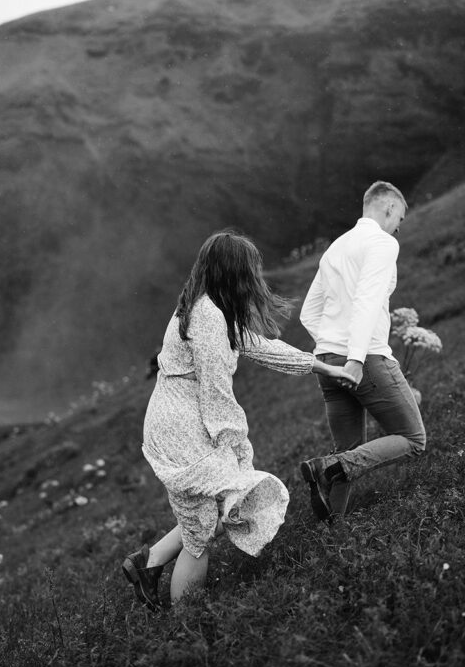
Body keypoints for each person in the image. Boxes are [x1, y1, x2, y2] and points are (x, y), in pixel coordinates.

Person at [122, 231, 358, 610]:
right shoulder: (210, 317)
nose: (255, 278)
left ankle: (147, 564)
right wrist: (234, 443)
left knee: (213, 508)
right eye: (251, 270)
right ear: (235, 272)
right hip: (183, 427)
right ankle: (184, 624)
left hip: (175, 420)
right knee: (201, 531)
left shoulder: (205, 306)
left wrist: (320, 366)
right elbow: (215, 391)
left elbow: (262, 347)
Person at [298, 181, 426, 521]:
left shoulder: (335, 249)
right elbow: (367, 300)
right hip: (364, 359)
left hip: (327, 362)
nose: (400, 225)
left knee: (348, 450)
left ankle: (330, 528)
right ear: (387, 208)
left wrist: (333, 347)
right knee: (413, 439)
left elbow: (308, 314)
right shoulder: (382, 243)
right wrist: (354, 357)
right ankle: (330, 467)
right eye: (400, 215)